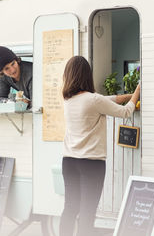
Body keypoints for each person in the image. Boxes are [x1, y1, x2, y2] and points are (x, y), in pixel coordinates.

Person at [60, 56, 140, 236]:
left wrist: (128, 96)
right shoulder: (93, 100)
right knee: (88, 212)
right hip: (90, 163)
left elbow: (108, 99)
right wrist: (138, 91)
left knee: (70, 208)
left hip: (69, 161)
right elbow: (126, 112)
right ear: (87, 75)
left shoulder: (68, 100)